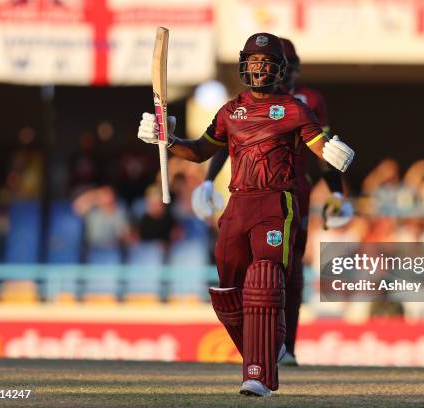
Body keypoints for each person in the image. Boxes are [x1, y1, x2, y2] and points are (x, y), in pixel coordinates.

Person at [137, 33, 354, 396]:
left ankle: (258, 373)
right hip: (238, 204)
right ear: (243, 65)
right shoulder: (229, 111)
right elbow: (201, 150)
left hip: (276, 203)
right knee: (227, 289)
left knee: (266, 280)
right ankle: (270, 350)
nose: (259, 68)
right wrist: (168, 140)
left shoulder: (296, 109)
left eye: (266, 62)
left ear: (279, 69)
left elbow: (320, 146)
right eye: (253, 61)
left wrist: (336, 161)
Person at [190, 37, 353, 367]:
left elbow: (324, 152)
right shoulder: (243, 104)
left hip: (295, 191)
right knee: (247, 274)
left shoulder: (306, 102)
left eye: (285, 66)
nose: (282, 73)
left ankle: (284, 347)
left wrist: (336, 191)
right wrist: (208, 178)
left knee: (286, 272)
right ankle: (263, 347)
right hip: (249, 195)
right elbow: (229, 141)